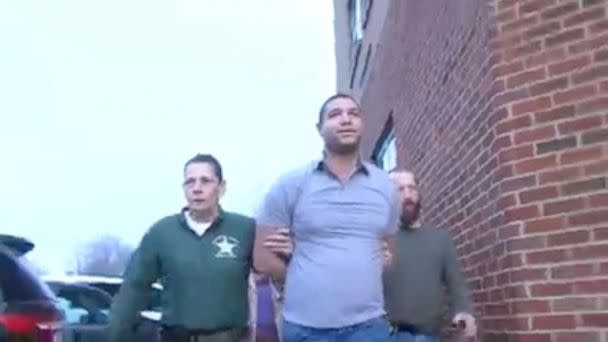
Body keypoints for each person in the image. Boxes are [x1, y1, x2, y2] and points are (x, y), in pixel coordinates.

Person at [253, 93, 400, 342]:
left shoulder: (385, 186)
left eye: (353, 114)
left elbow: (388, 251)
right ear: (319, 129)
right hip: (305, 328)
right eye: (335, 115)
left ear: (361, 124)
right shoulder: (291, 184)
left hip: (369, 328)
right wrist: (306, 276)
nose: (345, 120)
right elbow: (263, 258)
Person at [108, 154, 255, 342]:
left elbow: (274, 275)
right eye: (190, 182)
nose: (197, 189)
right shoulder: (161, 233)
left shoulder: (244, 229)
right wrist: (115, 333)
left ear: (221, 187)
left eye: (206, 181)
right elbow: (134, 289)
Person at [384, 169, 477, 342]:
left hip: (428, 336)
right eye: (400, 189)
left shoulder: (440, 239)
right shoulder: (379, 240)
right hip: (385, 335)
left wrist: (463, 312)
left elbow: (456, 285)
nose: (407, 195)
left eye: (412, 188)